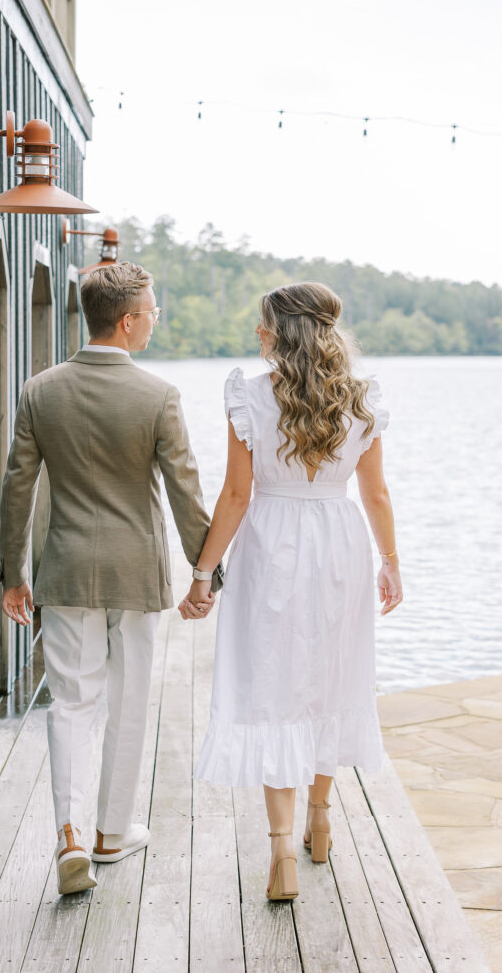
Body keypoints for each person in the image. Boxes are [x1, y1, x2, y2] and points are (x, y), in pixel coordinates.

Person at [0, 261, 222, 895]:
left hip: (66, 569)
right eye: (152, 311)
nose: (156, 320)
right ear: (127, 321)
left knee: (69, 702)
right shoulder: (157, 396)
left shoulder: (39, 390)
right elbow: (186, 492)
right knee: (128, 704)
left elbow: (17, 487)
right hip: (137, 571)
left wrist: (12, 572)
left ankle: (69, 834)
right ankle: (110, 832)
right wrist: (205, 572)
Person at [179, 281, 403, 902]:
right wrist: (390, 561)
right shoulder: (360, 399)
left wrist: (203, 573)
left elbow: (235, 495)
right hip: (339, 540)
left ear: (280, 332)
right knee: (331, 675)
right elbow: (376, 493)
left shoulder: (250, 397)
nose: (257, 334)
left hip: (271, 541)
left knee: (274, 681)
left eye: (263, 325)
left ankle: (281, 850)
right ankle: (321, 821)